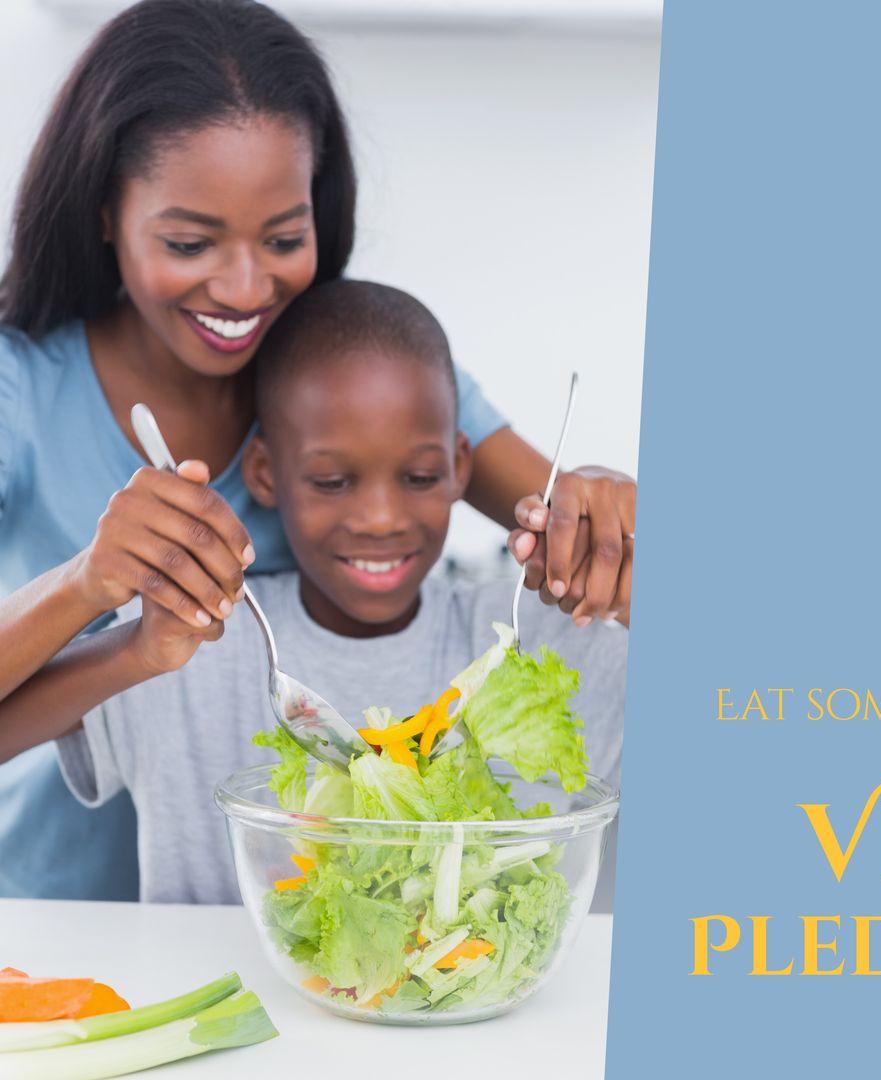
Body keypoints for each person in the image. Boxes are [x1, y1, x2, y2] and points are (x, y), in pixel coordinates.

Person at [0, 0, 635, 900]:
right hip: (52, 911)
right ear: (106, 211)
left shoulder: (351, 372)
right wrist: (87, 590)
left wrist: (602, 507)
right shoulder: (21, 392)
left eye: (285, 238)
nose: (244, 286)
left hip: (274, 914)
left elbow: (596, 546)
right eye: (189, 242)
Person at [0, 279, 628, 907]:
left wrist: (632, 558)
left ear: (460, 467)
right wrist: (128, 640)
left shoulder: (533, 636)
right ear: (266, 475)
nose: (380, 517)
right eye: (331, 480)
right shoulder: (194, 644)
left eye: (419, 476)